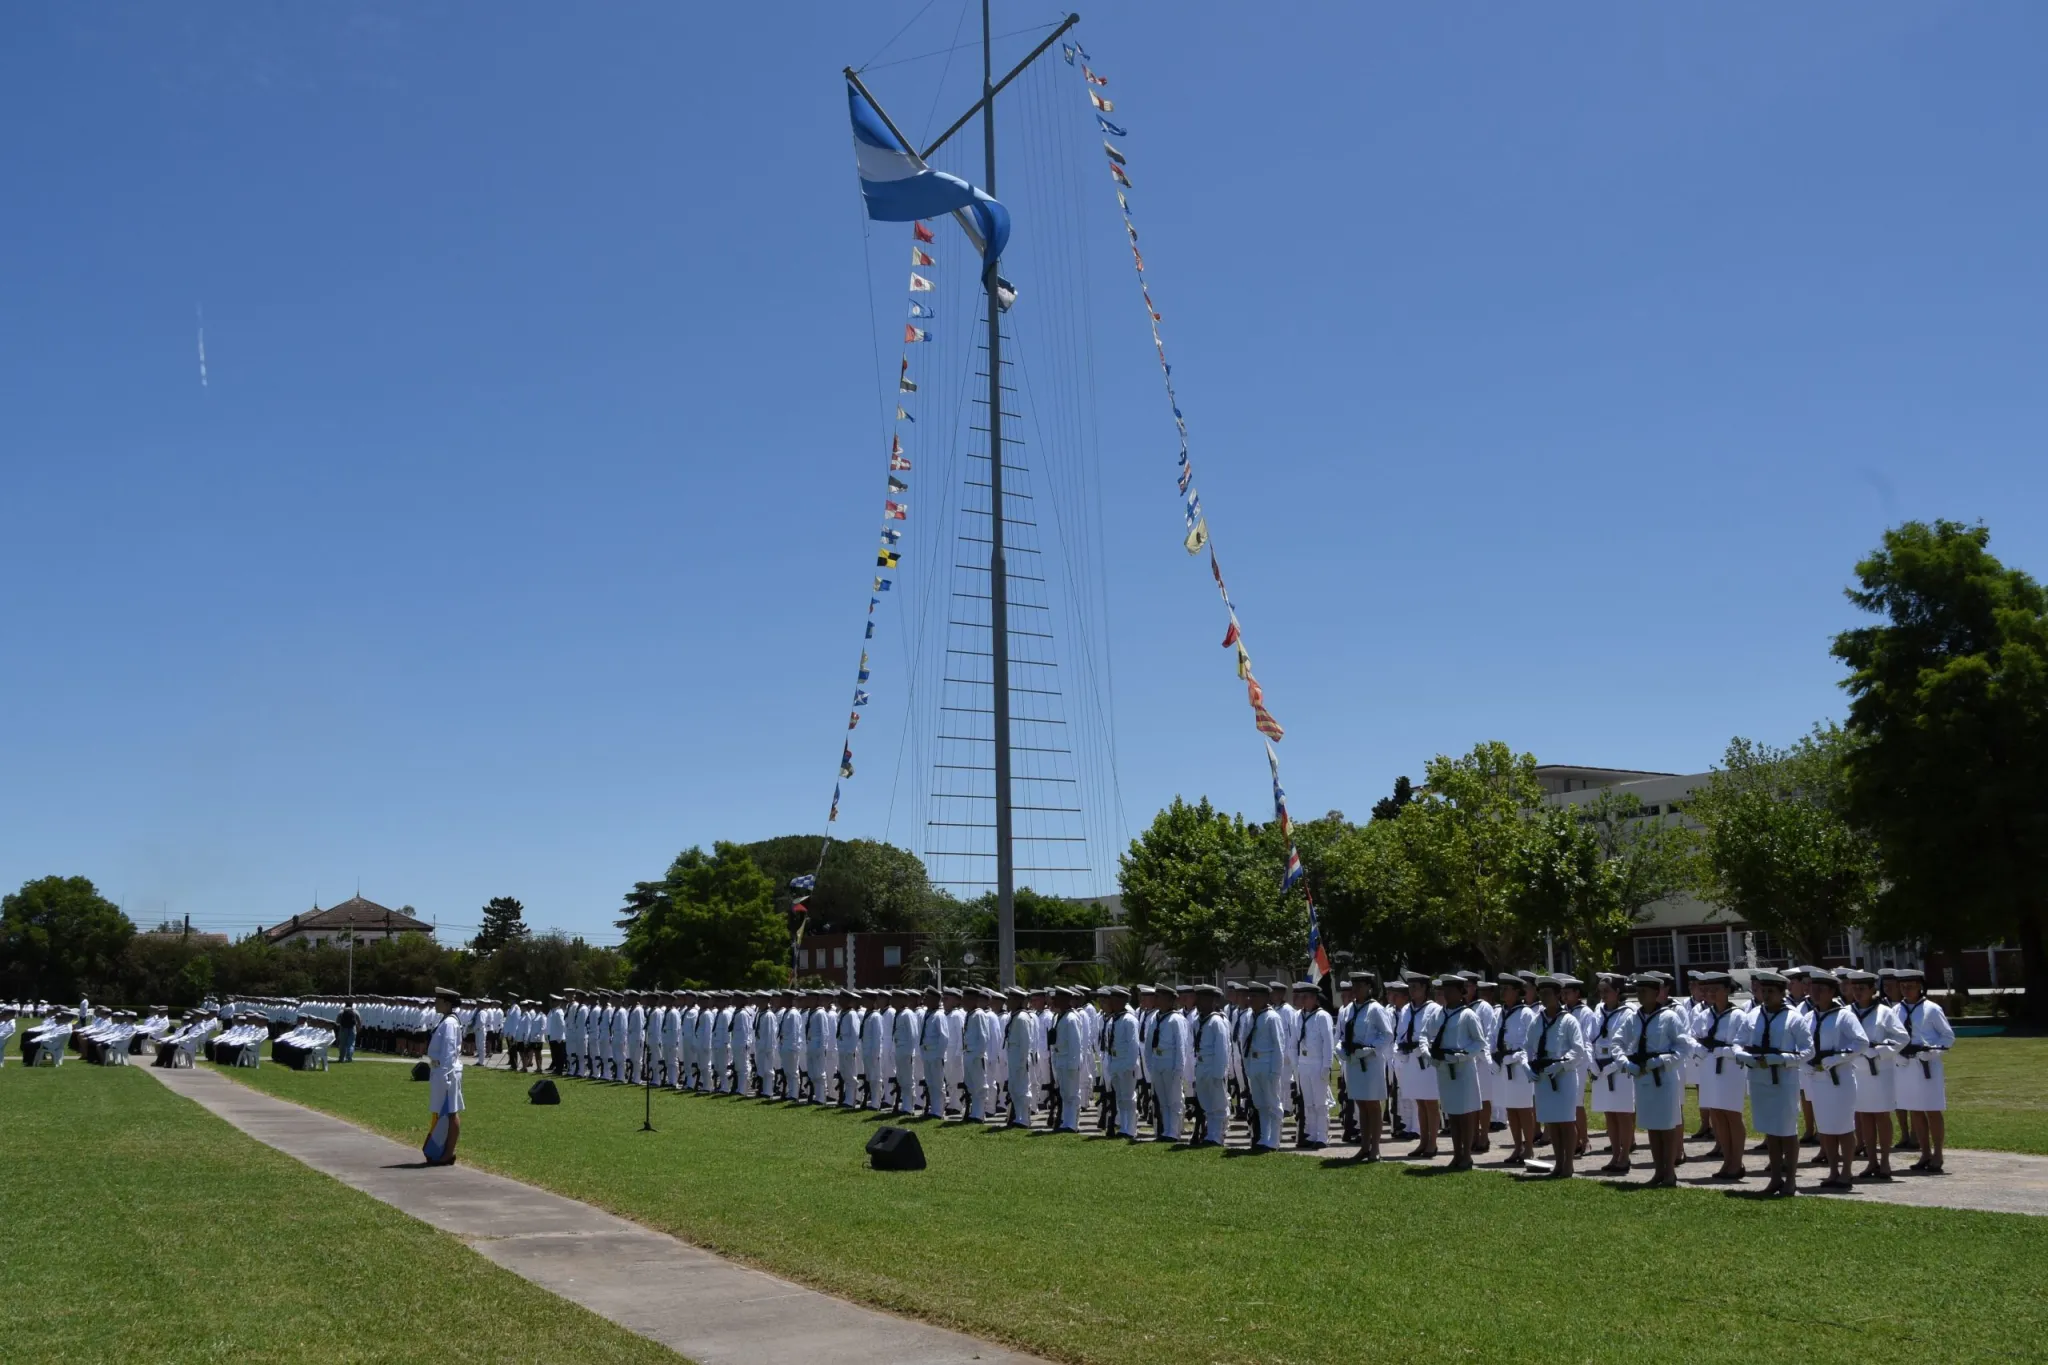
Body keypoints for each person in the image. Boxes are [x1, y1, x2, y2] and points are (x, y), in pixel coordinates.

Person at [1734, 970, 1810, 1197]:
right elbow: (1738, 1042)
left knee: (1787, 1130)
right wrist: (1745, 1056)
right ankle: (1775, 1177)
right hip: (1759, 1078)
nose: (1765, 996)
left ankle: (1791, 1180)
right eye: (1762, 991)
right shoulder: (1752, 1015)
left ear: (1781, 993)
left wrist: (1783, 1059)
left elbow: (1808, 1050)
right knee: (1770, 1130)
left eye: (1770, 991)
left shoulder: (1794, 1017)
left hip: (1784, 1080)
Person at [1620, 972, 1694, 1188]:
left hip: (1664, 1077)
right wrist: (1626, 1063)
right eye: (1638, 991)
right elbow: (1617, 1043)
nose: (1640, 995)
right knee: (1652, 1125)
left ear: (1656, 992)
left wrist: (1662, 1060)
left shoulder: (1669, 1017)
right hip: (1643, 1076)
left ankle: (1669, 1172)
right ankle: (1658, 1171)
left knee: (1667, 1125)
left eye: (1644, 991)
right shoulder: (1633, 1018)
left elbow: (1684, 1046)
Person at [1804, 970, 1869, 1190]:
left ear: (1832, 992)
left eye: (1821, 989)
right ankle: (1833, 1170)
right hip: (1817, 1078)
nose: (1815, 993)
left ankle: (1847, 1171)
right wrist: (1805, 1063)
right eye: (1813, 988)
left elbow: (1861, 1042)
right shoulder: (1809, 1017)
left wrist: (1837, 1058)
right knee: (1825, 1127)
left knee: (1843, 1126)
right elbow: (1802, 1045)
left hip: (1839, 1078)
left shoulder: (1844, 1015)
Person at [1846, 969, 1907, 1181]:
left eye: (1862, 988)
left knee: (1881, 1115)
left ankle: (1886, 1161)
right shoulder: (1847, 1012)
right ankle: (1871, 1160)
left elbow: (1902, 1038)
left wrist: (1880, 1050)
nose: (1857, 992)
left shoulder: (1884, 1012)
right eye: (1854, 988)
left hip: (1880, 1071)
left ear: (1873, 989)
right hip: (1857, 1070)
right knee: (1864, 1116)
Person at [1892, 968, 1955, 1173]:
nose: (1906, 990)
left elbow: (1948, 1037)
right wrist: (1896, 1054)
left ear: (1920, 986)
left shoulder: (1932, 1009)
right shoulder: (1896, 1010)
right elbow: (1891, 1037)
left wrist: (1933, 1051)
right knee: (1915, 1111)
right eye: (1903, 986)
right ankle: (1925, 1153)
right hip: (1906, 1065)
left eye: (1910, 986)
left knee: (1932, 1110)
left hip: (1927, 1065)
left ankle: (1938, 1154)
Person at [1691, 971, 1749, 1179]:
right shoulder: (1704, 1015)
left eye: (1715, 989)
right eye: (1707, 990)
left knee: (1732, 1115)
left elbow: (1744, 1045)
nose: (1710, 993)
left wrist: (1722, 1050)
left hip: (1730, 1070)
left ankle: (1737, 1162)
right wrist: (1700, 1048)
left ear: (1726, 990)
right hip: (1708, 1068)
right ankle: (1726, 1159)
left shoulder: (1739, 1016)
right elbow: (1691, 1037)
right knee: (1716, 1114)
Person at [1526, 977, 1586, 1179]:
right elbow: (1528, 1046)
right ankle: (1558, 1163)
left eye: (1547, 994)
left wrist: (1561, 1064)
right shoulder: (1537, 1020)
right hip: (1544, 1076)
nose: (1543, 997)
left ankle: (1568, 1164)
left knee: (1566, 1121)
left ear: (1558, 995)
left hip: (1564, 1076)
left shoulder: (1568, 1020)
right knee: (1552, 1121)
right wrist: (1528, 1065)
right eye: (1541, 993)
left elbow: (1578, 1049)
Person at [1585, 973, 1637, 1173]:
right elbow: (1589, 1039)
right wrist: (1592, 1063)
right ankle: (1615, 1154)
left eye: (1607, 991)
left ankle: (1625, 1155)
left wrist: (1614, 1065)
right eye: (1600, 991)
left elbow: (1631, 1044)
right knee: (1609, 1113)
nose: (1603, 995)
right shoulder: (1598, 1011)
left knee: (1623, 1113)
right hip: (1600, 1069)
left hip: (1620, 1069)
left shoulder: (1628, 1013)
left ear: (1617, 991)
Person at [1338, 973, 1393, 1162]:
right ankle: (1364, 1146)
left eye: (1360, 985)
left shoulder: (1375, 1009)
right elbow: (1342, 1034)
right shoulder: (1348, 1009)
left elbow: (1387, 1035)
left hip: (1370, 1063)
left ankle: (1375, 1147)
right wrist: (1341, 1048)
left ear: (1369, 987)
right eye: (1354, 985)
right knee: (1361, 1104)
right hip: (1353, 1061)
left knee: (1373, 1105)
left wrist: (1371, 1049)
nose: (1356, 989)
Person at [424, 987, 465, 1166]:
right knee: (443, 1112)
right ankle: (441, 1149)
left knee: (450, 1112)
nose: (435, 1003)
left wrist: (445, 1076)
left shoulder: (449, 1023)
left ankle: (448, 1153)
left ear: (447, 1003)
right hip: (441, 1070)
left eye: (438, 1000)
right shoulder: (446, 1020)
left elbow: (448, 1051)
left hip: (446, 1071)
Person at [1144, 983, 1190, 1142]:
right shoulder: (1155, 1018)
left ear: (1170, 1000)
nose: (1156, 999)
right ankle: (1166, 1130)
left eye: (1159, 997)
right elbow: (1149, 1045)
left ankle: (1174, 1132)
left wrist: (1179, 1069)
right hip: (1157, 1062)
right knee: (1163, 1101)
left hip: (1171, 1063)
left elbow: (1181, 1046)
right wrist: (1150, 1065)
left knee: (1174, 1100)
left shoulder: (1176, 1019)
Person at [1292, 981, 1334, 1149]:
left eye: (1307, 997)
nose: (1303, 1000)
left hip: (1317, 1062)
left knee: (1320, 1102)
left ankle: (1322, 1135)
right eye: (1302, 996)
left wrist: (1327, 1066)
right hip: (1303, 1063)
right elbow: (1293, 1042)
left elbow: (1328, 1043)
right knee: (1308, 1102)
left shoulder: (1322, 1016)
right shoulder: (1297, 1016)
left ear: (1316, 999)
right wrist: (1295, 1065)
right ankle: (1311, 1133)